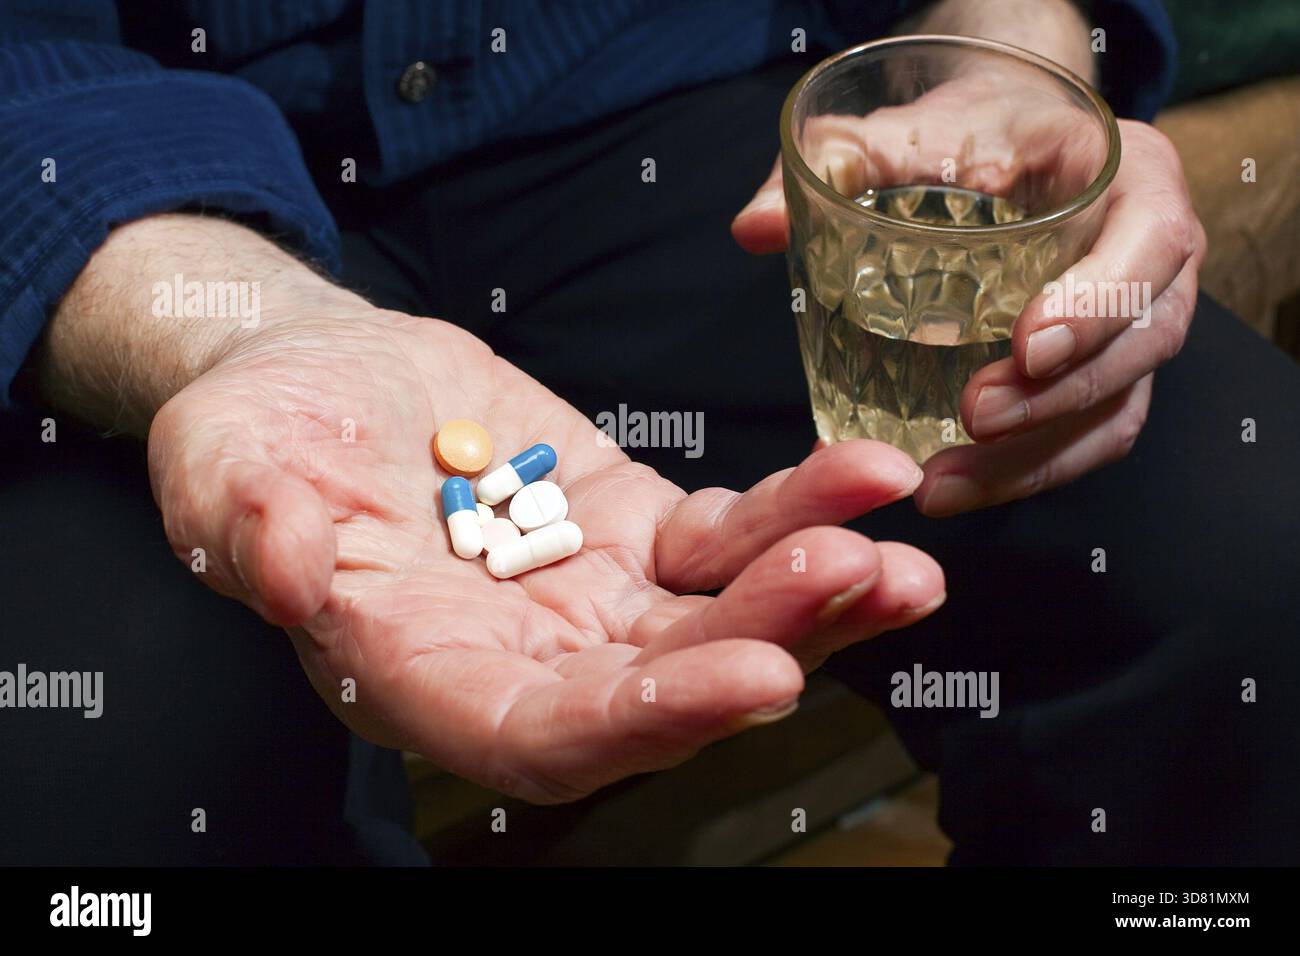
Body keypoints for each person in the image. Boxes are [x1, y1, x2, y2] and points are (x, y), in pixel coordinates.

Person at [0, 0, 1294, 865]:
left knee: (1252, 559)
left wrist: (1013, 44)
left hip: (692, 130)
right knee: (90, 755)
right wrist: (238, 330)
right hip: (127, 182)